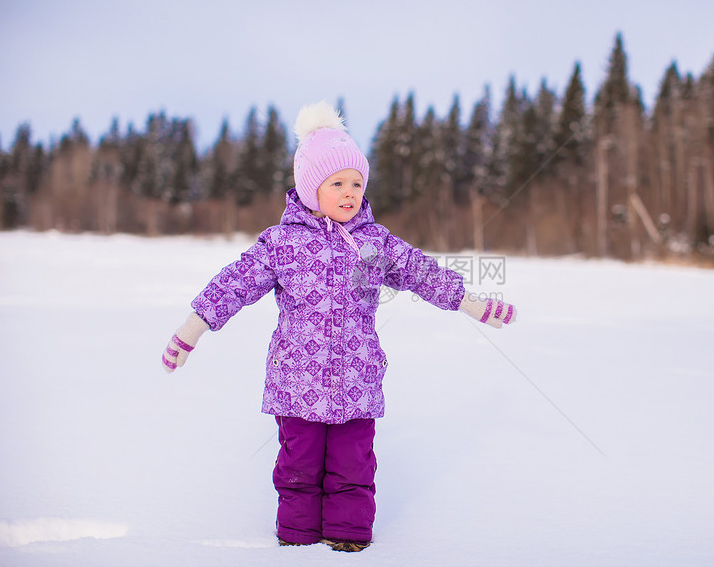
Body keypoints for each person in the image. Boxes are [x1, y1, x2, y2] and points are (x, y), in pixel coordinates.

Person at [161, 101, 517, 553]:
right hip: (296, 384)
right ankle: (295, 539)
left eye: (356, 183)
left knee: (353, 466)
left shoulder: (374, 241)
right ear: (310, 187)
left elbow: (421, 273)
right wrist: (191, 330)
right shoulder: (281, 243)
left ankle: (348, 540)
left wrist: (472, 303)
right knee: (298, 468)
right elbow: (234, 284)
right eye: (337, 183)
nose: (350, 192)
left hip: (357, 383)